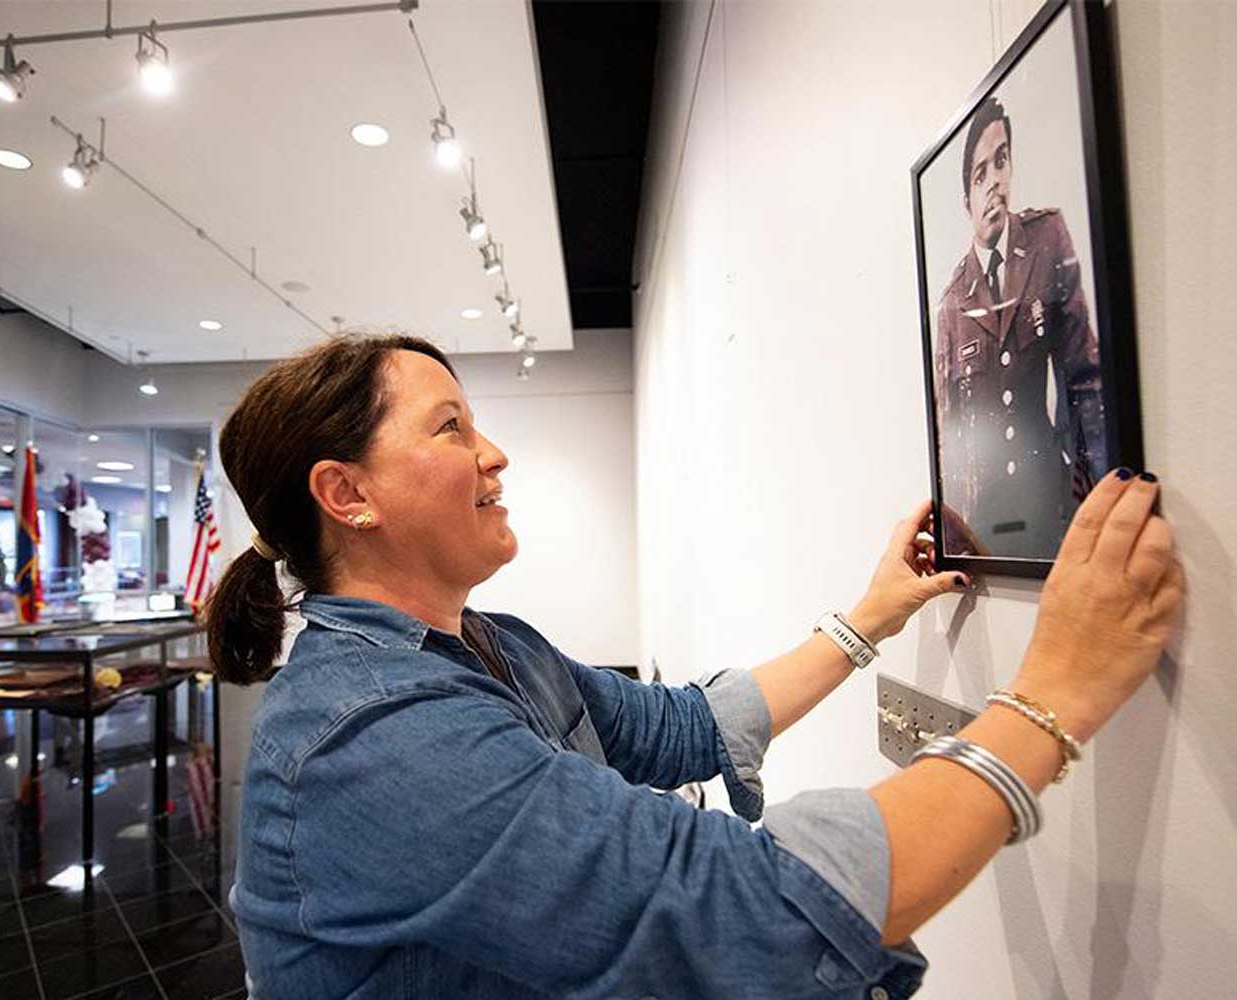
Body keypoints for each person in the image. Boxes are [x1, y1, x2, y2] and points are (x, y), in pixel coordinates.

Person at [206, 335, 1183, 999]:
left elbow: (687, 725)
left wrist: (871, 616)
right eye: (450, 426)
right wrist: (1057, 690)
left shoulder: (495, 643)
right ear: (346, 493)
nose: (493, 452)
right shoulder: (369, 737)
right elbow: (748, 907)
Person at [933, 95, 1105, 559]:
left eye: (1001, 161)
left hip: (1051, 500)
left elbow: (1083, 379)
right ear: (965, 200)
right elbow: (951, 433)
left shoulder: (1045, 239)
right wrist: (956, 542)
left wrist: (1098, 496)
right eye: (979, 174)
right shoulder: (952, 303)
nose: (994, 183)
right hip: (989, 523)